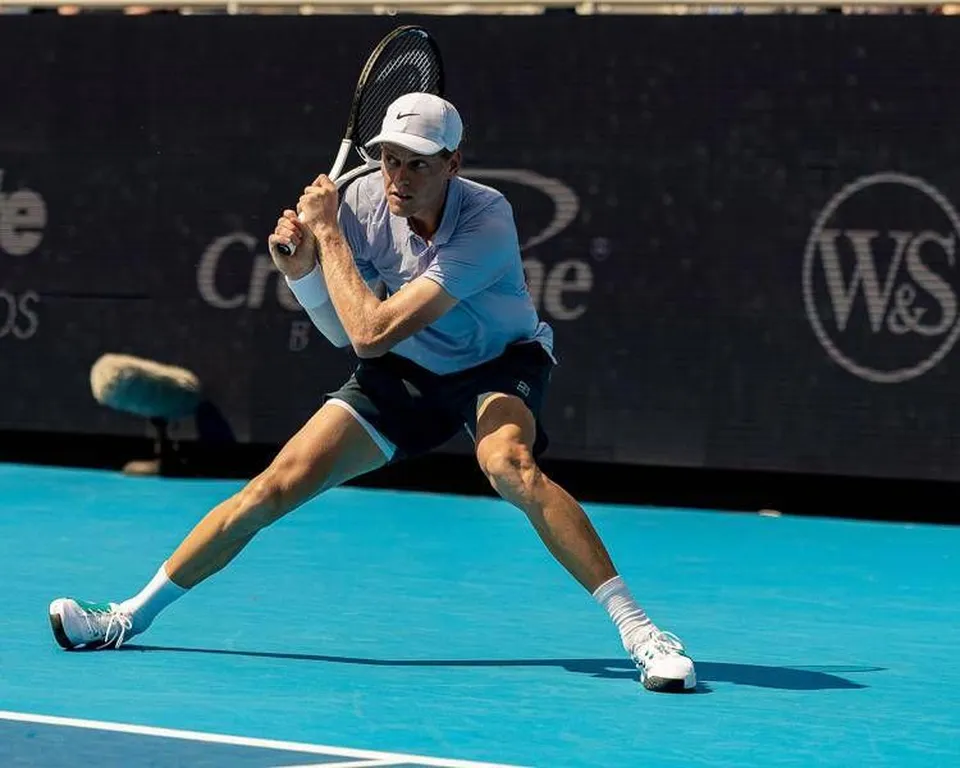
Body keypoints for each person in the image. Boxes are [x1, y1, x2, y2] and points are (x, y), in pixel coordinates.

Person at [47, 92, 696, 693]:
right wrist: (301, 273)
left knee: (509, 465)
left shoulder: (488, 218)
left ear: (453, 164)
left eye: (417, 164)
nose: (398, 178)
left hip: (498, 364)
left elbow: (370, 331)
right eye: (389, 160)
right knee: (271, 488)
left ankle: (641, 634)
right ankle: (128, 617)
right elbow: (343, 333)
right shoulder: (361, 202)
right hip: (407, 371)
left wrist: (326, 234)